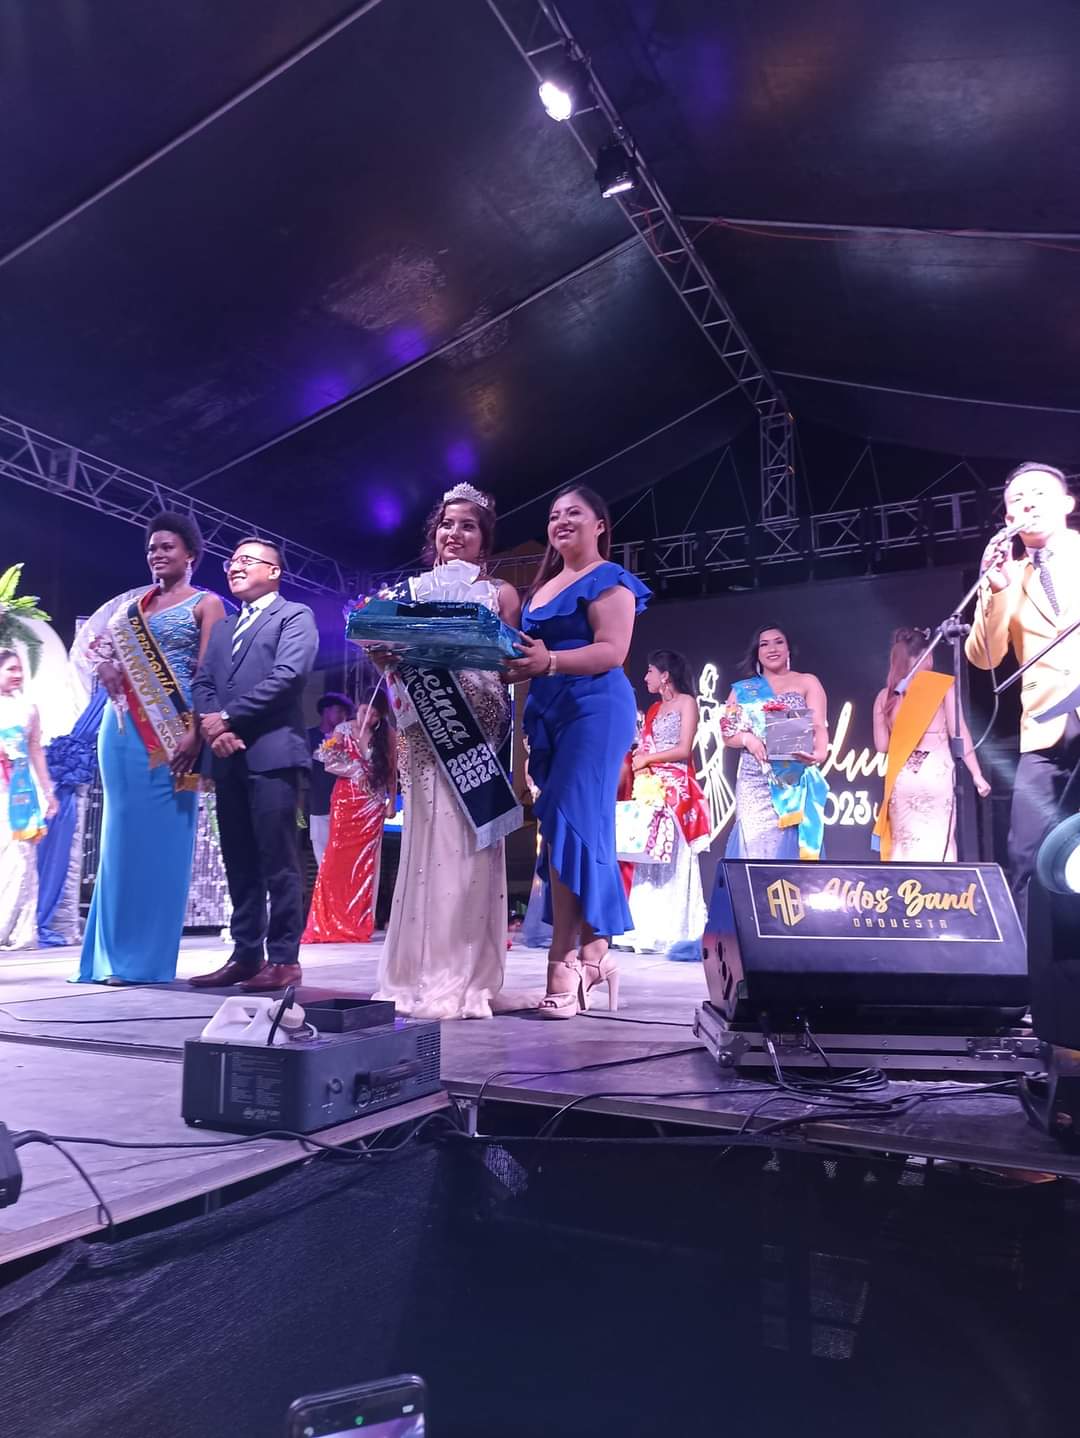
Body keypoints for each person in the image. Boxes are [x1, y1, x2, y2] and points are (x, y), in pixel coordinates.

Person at [374, 483, 521, 1019]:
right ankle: (415, 971)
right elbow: (386, 659)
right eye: (447, 524)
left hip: (475, 722)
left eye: (468, 526)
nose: (455, 534)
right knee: (426, 842)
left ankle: (464, 971)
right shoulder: (407, 591)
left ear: (484, 538)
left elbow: (511, 665)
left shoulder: (500, 594)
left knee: (467, 842)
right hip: (422, 725)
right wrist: (383, 654)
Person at [508, 484, 650, 1017]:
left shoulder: (610, 579)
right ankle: (596, 953)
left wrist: (549, 662)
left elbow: (613, 651)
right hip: (550, 711)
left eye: (574, 513)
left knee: (569, 825)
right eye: (553, 515)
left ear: (600, 525)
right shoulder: (541, 589)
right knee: (570, 829)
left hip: (595, 709)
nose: (561, 521)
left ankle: (563, 961)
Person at [73, 513, 225, 983]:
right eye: (152, 548)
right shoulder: (130, 609)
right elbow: (100, 652)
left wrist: (196, 732)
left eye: (167, 547)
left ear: (190, 555)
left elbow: (210, 674)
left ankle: (146, 960)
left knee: (164, 847)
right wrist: (105, 668)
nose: (157, 554)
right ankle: (109, 958)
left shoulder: (208, 604)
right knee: (119, 840)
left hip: (176, 735)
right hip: (121, 732)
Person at [189, 539, 319, 991]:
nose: (235, 567)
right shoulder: (225, 626)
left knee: (279, 861)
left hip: (274, 755)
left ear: (274, 571)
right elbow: (203, 682)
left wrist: (227, 718)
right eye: (232, 561)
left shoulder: (294, 616)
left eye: (246, 560)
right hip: (227, 756)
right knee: (239, 860)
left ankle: (284, 959)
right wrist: (215, 729)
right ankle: (246, 954)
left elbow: (288, 677)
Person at [966, 461, 1080, 922]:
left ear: (1067, 504)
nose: (1027, 503)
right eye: (1017, 499)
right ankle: (1027, 962)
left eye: (1038, 494)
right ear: (1008, 517)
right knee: (1026, 852)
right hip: (1044, 723)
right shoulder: (1006, 575)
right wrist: (994, 591)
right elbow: (983, 657)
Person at [872, 627, 990, 862]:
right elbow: (959, 732)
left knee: (904, 843)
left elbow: (882, 746)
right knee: (938, 840)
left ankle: (905, 884)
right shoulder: (941, 687)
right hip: (935, 772)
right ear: (926, 655)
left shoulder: (885, 696)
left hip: (904, 776)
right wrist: (977, 775)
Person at [620, 650, 710, 953]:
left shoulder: (687, 703)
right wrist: (641, 762)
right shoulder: (654, 709)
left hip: (677, 790)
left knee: (673, 857)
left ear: (665, 675)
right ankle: (645, 931)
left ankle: (674, 931)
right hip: (652, 787)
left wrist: (648, 758)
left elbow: (684, 749)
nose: (646, 677)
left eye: (650, 671)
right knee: (649, 855)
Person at [722, 625, 830, 860]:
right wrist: (748, 739)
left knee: (789, 842)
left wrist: (820, 754)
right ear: (757, 652)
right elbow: (728, 734)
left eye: (778, 642)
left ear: (788, 648)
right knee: (753, 843)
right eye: (764, 644)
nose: (772, 648)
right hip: (753, 778)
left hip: (791, 776)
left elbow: (819, 725)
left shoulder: (807, 681)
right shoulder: (742, 690)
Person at [302, 687, 396, 944]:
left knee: (366, 865)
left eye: (375, 715)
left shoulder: (386, 734)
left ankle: (358, 921)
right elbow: (329, 762)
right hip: (345, 801)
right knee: (334, 861)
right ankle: (330, 920)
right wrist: (356, 769)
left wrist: (391, 801)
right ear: (358, 707)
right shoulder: (342, 730)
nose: (369, 718)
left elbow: (392, 771)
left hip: (373, 803)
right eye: (365, 712)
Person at [0, 650, 57, 949]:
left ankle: (14, 930)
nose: (18, 674)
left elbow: (35, 749)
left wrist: (48, 791)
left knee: (20, 859)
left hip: (19, 793)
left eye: (20, 669)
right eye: (11, 669)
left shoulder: (28, 709)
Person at [307, 692, 354, 867]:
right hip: (319, 806)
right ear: (326, 711)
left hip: (345, 806)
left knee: (344, 861)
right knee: (323, 861)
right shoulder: (309, 736)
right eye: (339, 711)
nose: (343, 716)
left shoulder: (349, 740)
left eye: (345, 713)